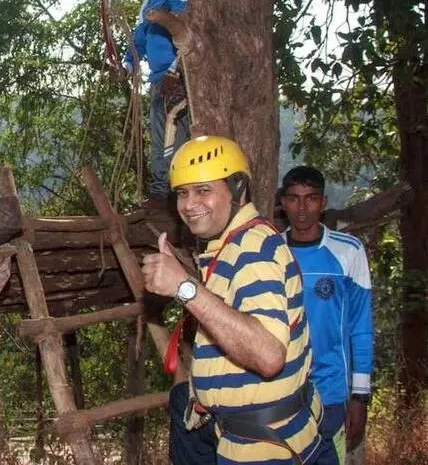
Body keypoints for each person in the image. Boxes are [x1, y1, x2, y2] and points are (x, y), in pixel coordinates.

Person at [142, 135, 326, 464]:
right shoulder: (230, 245)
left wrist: (184, 287)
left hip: (268, 450)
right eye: (182, 193)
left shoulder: (253, 249)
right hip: (250, 439)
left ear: (238, 189)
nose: (188, 204)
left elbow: (268, 355)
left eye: (203, 190)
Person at [280, 166, 374, 464]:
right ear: (283, 203)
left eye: (311, 199)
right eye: (294, 199)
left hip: (331, 392)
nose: (302, 208)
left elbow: (361, 326)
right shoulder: (271, 250)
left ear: (323, 203)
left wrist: (359, 395)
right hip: (280, 391)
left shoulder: (348, 251)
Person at [114, 0, 190, 205]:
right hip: (159, 81)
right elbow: (138, 42)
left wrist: (175, 70)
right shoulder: (148, 0)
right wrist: (126, 65)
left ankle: (175, 196)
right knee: (160, 140)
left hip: (183, 78)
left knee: (177, 139)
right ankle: (162, 196)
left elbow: (190, 29)